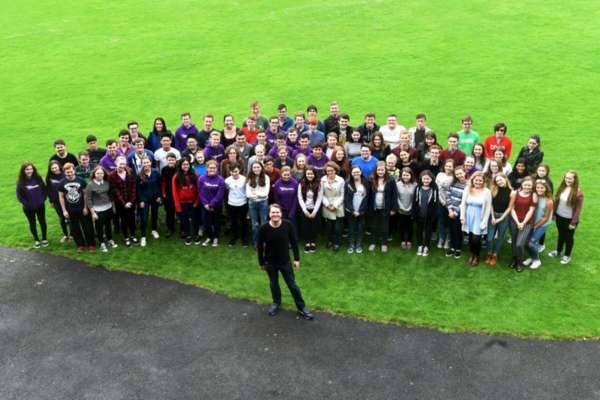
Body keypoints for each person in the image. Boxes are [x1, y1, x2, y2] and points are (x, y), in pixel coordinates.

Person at [257, 204, 313, 320]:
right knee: (274, 283)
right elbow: (260, 247)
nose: (275, 214)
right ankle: (276, 303)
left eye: (277, 212)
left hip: (285, 262)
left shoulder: (288, 225)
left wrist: (297, 259)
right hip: (270, 263)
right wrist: (261, 263)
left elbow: (294, 243)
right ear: (269, 214)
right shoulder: (264, 228)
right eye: (273, 212)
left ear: (281, 214)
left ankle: (301, 307)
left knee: (292, 285)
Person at [548, 170, 583, 265]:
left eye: (570, 178)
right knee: (561, 235)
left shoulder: (578, 193)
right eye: (566, 178)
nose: (568, 180)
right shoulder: (562, 188)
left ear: (574, 180)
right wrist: (554, 214)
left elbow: (578, 210)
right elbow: (556, 201)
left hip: (570, 220)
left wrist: (573, 222)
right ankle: (558, 251)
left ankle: (567, 255)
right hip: (559, 217)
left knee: (568, 238)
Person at [58, 163, 95, 252]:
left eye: (71, 171)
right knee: (75, 228)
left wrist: (86, 208)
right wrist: (64, 211)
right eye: (67, 172)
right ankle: (80, 245)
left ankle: (90, 244)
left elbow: (85, 194)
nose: (69, 174)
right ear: (64, 172)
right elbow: (61, 197)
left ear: (74, 170)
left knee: (87, 226)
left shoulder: (81, 180)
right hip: (70, 210)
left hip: (82, 209)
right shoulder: (62, 183)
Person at [459, 171, 492, 266]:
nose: (478, 182)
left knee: (476, 238)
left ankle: (476, 256)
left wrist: (485, 221)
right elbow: (463, 204)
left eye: (480, 180)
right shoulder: (467, 189)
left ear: (483, 181)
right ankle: (471, 255)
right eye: (476, 180)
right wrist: (462, 217)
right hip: (468, 215)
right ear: (473, 180)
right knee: (470, 237)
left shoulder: (487, 192)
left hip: (479, 216)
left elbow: (488, 208)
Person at [367, 161, 398, 253]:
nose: (380, 171)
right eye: (379, 170)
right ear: (376, 170)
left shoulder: (391, 180)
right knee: (374, 225)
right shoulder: (371, 179)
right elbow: (368, 195)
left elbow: (394, 195)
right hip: (374, 207)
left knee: (385, 226)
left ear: (385, 170)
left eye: (382, 170)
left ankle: (384, 243)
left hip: (386, 207)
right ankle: (373, 242)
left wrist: (393, 208)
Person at [509, 176, 537, 272]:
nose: (527, 187)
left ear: (532, 186)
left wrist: (523, 223)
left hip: (527, 223)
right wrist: (517, 222)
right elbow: (511, 208)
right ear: (522, 184)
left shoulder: (533, 195)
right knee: (514, 241)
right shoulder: (515, 193)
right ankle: (514, 259)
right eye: (525, 185)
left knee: (519, 244)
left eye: (529, 185)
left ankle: (519, 262)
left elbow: (531, 210)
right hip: (514, 221)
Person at [16, 161, 48, 248]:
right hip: (28, 208)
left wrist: (43, 199)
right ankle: (36, 240)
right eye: (27, 169)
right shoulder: (20, 182)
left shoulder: (38, 178)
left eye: (31, 169)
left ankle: (44, 238)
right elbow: (19, 196)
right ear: (23, 171)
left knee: (42, 221)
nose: (29, 171)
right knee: (32, 223)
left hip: (40, 205)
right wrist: (27, 204)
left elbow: (44, 190)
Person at [524, 180, 554, 270]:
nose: (539, 189)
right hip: (531, 222)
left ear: (546, 189)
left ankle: (537, 260)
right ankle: (532, 257)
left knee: (531, 242)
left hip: (541, 225)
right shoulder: (534, 196)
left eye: (542, 188)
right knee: (526, 242)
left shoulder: (549, 201)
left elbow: (545, 218)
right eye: (537, 187)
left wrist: (535, 226)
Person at [484, 174, 513, 266]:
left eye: (501, 180)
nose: (499, 182)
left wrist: (500, 218)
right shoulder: (493, 189)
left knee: (500, 237)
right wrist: (492, 216)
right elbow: (490, 204)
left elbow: (509, 208)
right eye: (497, 181)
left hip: (504, 217)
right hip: (492, 215)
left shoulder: (512, 192)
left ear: (505, 179)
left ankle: (495, 255)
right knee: (489, 237)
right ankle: (489, 253)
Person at [86, 165, 117, 252]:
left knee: (108, 226)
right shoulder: (90, 185)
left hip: (108, 208)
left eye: (101, 173)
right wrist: (93, 213)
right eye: (98, 173)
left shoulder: (107, 183)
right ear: (94, 174)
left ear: (104, 174)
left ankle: (110, 239)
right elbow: (88, 200)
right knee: (99, 227)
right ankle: (102, 243)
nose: (100, 175)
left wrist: (113, 207)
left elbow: (111, 196)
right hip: (98, 210)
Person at [108, 156, 138, 247]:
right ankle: (126, 238)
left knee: (132, 219)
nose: (122, 165)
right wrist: (124, 203)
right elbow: (115, 191)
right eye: (120, 164)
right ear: (116, 164)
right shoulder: (112, 175)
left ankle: (133, 235)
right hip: (120, 203)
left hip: (131, 201)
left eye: (124, 164)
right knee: (124, 220)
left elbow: (133, 186)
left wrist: (131, 201)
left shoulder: (130, 172)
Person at [197, 159, 225, 247]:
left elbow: (220, 194)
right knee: (206, 223)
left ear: (217, 169)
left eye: (214, 168)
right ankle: (209, 237)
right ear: (206, 168)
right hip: (205, 205)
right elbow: (200, 192)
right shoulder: (201, 178)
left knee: (216, 222)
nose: (212, 169)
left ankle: (216, 238)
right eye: (210, 168)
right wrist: (206, 204)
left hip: (216, 206)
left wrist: (211, 204)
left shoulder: (220, 180)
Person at [172, 158, 200, 245]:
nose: (185, 166)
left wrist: (197, 201)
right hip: (183, 203)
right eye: (184, 164)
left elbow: (199, 189)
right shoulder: (176, 177)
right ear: (180, 166)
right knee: (185, 220)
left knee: (195, 219)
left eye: (187, 164)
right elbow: (175, 192)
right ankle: (187, 235)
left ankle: (195, 235)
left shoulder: (195, 175)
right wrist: (177, 205)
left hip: (193, 201)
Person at [136, 156, 161, 247]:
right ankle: (143, 236)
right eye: (144, 163)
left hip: (155, 198)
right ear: (142, 164)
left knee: (155, 215)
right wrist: (141, 200)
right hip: (145, 200)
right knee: (144, 218)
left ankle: (154, 230)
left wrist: (159, 196)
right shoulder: (139, 175)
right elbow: (138, 189)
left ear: (150, 163)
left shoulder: (156, 172)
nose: (146, 164)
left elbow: (159, 185)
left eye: (147, 162)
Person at [297, 166, 323, 253]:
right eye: (308, 174)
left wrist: (314, 211)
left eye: (311, 174)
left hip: (315, 209)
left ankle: (313, 242)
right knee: (306, 226)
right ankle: (307, 242)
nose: (310, 175)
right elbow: (300, 198)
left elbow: (319, 198)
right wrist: (305, 211)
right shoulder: (301, 183)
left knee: (314, 226)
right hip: (305, 209)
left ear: (314, 174)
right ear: (305, 174)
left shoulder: (319, 183)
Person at [413, 170, 438, 257]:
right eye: (424, 179)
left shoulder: (434, 189)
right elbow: (414, 202)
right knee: (419, 231)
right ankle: (420, 246)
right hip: (419, 214)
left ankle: (426, 246)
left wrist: (434, 215)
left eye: (428, 179)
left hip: (429, 216)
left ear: (431, 179)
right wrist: (414, 213)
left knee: (428, 231)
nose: (426, 181)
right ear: (421, 179)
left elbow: (435, 203)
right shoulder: (417, 188)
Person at [321, 162, 345, 251]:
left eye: (332, 171)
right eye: (328, 171)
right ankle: (329, 241)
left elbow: (342, 195)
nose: (330, 172)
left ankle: (337, 243)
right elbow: (321, 194)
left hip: (338, 205)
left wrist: (335, 205)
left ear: (336, 171)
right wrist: (327, 205)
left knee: (338, 227)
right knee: (329, 227)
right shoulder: (322, 180)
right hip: (326, 205)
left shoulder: (341, 180)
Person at [344, 166, 369, 254]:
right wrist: (352, 210)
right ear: (351, 173)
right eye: (354, 172)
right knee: (351, 228)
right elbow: (346, 198)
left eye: (358, 172)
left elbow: (367, 198)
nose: (356, 174)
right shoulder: (347, 183)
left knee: (360, 228)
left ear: (361, 172)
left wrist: (360, 211)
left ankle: (358, 244)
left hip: (362, 210)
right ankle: (351, 244)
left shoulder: (366, 182)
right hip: (351, 210)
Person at [246, 161, 270, 246]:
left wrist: (256, 194)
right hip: (252, 204)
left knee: (264, 223)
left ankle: (264, 242)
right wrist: (259, 194)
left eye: (258, 167)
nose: (256, 169)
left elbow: (266, 193)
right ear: (252, 169)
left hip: (263, 203)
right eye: (254, 167)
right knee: (255, 224)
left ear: (261, 168)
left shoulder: (266, 177)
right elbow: (248, 194)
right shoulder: (249, 178)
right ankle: (256, 243)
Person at [224, 163, 248, 246]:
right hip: (232, 203)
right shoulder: (227, 180)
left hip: (243, 203)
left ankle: (244, 238)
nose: (235, 173)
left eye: (236, 171)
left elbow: (246, 190)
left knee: (243, 221)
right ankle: (234, 237)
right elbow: (227, 190)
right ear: (230, 172)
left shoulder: (244, 179)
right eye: (232, 172)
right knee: (233, 221)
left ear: (239, 170)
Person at [446, 166, 467, 258]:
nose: (459, 175)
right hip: (450, 211)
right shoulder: (453, 183)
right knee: (451, 230)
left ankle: (458, 248)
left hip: (460, 212)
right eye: (457, 174)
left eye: (461, 173)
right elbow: (448, 196)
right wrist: (450, 210)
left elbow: (465, 202)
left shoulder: (468, 185)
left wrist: (456, 213)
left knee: (457, 231)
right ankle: (452, 247)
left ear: (464, 172)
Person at [46, 160, 70, 241]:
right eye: (52, 168)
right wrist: (51, 201)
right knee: (62, 218)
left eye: (55, 167)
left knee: (70, 216)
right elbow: (48, 190)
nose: (54, 169)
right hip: (56, 201)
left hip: (67, 199)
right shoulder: (49, 177)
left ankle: (73, 234)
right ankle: (66, 235)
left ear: (59, 167)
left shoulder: (65, 174)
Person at [435, 159, 455, 249]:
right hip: (440, 202)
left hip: (451, 204)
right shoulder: (439, 175)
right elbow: (437, 189)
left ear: (453, 167)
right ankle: (441, 238)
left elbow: (453, 192)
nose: (448, 168)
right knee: (441, 221)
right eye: (447, 166)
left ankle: (448, 239)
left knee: (450, 222)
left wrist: (448, 204)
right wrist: (442, 201)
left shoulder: (454, 178)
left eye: (450, 166)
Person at [396, 167, 417, 250]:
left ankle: (409, 241)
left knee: (410, 226)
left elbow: (415, 198)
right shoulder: (397, 184)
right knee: (401, 225)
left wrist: (410, 207)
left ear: (411, 176)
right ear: (401, 175)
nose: (405, 177)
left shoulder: (415, 185)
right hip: (400, 209)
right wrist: (401, 207)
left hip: (411, 209)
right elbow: (396, 197)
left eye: (407, 175)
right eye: (404, 175)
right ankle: (402, 240)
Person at [161, 153, 178, 237]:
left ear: (175, 160)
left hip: (178, 193)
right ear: (167, 161)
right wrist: (163, 193)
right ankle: (170, 228)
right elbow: (163, 182)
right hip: (168, 193)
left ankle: (183, 229)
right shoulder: (164, 169)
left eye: (172, 160)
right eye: (169, 160)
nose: (171, 161)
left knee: (180, 211)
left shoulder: (178, 169)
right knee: (169, 212)